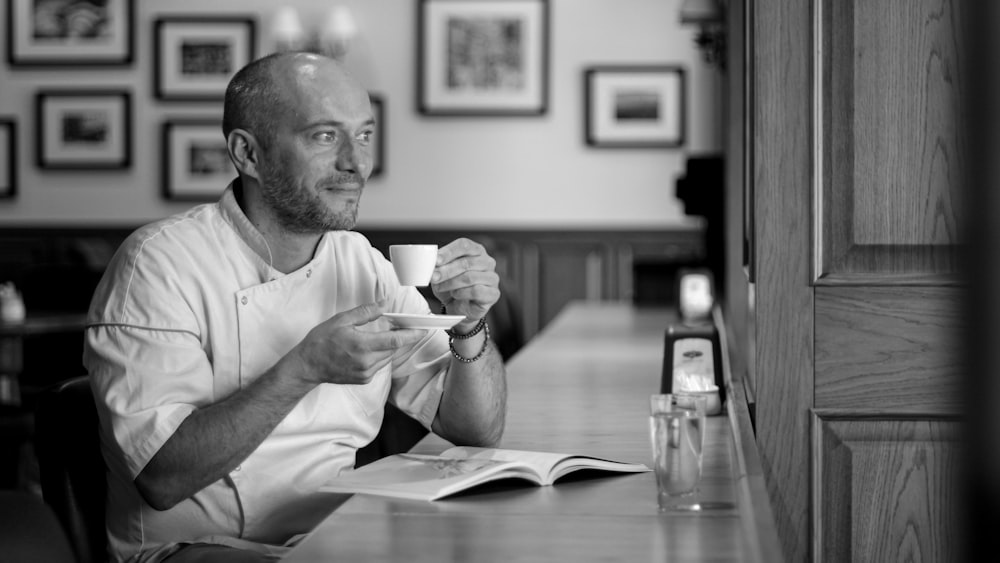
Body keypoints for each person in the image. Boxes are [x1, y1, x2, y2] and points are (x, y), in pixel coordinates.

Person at [83, 51, 507, 563]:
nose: (356, 163)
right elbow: (162, 477)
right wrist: (303, 369)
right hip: (193, 551)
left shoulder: (361, 262)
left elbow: (474, 429)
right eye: (325, 136)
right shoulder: (158, 266)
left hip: (334, 536)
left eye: (365, 135)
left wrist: (469, 324)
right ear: (249, 154)